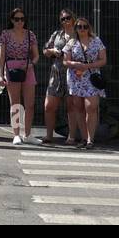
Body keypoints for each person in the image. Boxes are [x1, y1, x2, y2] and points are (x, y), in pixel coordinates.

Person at [0, 7, 42, 146]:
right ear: (12, 20)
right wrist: (0, 75)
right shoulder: (5, 34)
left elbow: (36, 56)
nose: (20, 22)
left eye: (22, 19)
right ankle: (16, 134)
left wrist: (31, 64)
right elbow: (1, 57)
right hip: (11, 68)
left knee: (30, 104)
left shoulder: (30, 34)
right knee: (15, 103)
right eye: (17, 19)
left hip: (27, 68)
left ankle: (27, 134)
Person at [63, 16, 107, 149]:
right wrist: (76, 64)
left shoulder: (96, 41)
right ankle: (83, 137)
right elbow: (65, 61)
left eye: (85, 26)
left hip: (91, 77)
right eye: (79, 27)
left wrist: (88, 66)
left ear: (89, 28)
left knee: (91, 106)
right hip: (76, 78)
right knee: (79, 108)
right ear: (75, 29)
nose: (82, 29)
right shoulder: (71, 42)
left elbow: (103, 60)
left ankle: (90, 139)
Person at [41, 10, 76, 144]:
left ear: (73, 18)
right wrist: (52, 51)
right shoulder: (57, 34)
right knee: (49, 106)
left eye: (68, 18)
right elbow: (45, 50)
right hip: (56, 74)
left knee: (71, 106)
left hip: (73, 73)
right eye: (63, 19)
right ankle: (49, 136)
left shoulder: (78, 33)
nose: (66, 21)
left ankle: (71, 136)